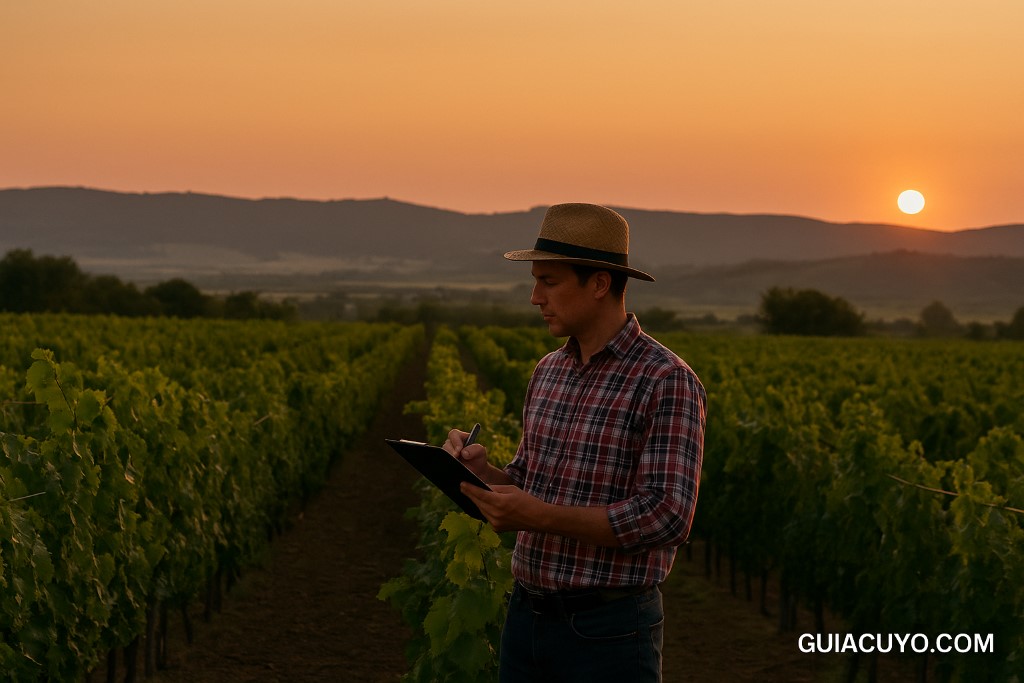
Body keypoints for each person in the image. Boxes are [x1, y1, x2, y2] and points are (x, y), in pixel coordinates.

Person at [443, 203, 706, 682]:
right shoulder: (549, 371)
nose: (534, 297)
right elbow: (530, 480)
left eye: (550, 281)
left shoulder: (665, 379)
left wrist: (538, 515)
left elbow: (667, 516)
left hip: (608, 631)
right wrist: (483, 474)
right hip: (526, 618)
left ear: (600, 283)